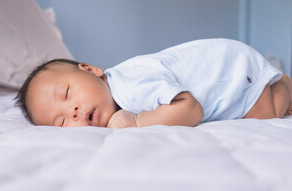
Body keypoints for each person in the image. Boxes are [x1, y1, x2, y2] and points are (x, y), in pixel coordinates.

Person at [15, 38, 292, 128]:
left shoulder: (130, 84)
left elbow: (191, 109)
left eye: (67, 94)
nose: (72, 112)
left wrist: (137, 122)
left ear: (92, 69)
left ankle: (284, 85)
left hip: (234, 70)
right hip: (229, 59)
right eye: (61, 123)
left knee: (265, 115)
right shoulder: (117, 90)